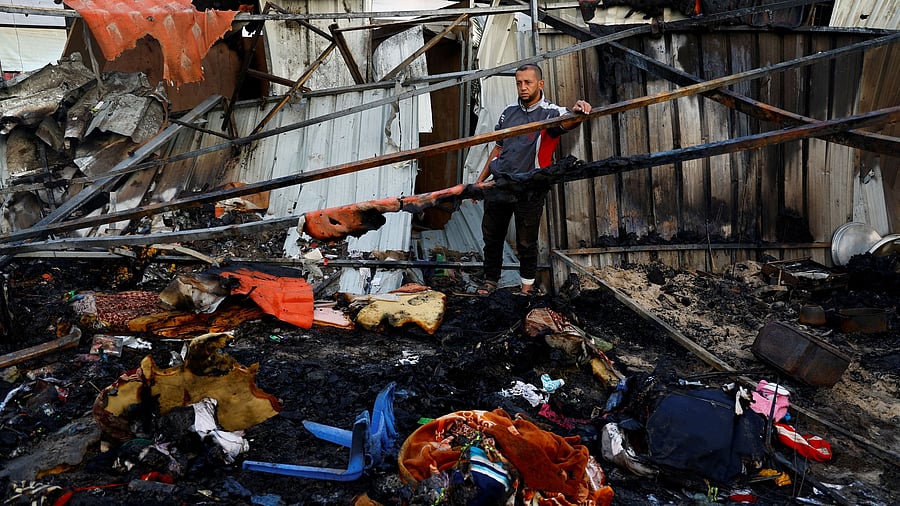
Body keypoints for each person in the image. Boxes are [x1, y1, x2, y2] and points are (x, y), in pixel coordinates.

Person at [475, 63, 592, 295]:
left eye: (528, 82)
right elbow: (498, 149)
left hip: (530, 187)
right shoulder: (508, 113)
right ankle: (490, 281)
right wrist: (480, 181)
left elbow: (570, 121)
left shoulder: (551, 113)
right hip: (500, 184)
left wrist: (579, 113)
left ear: (540, 84)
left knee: (526, 242)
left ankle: (526, 288)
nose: (522, 87)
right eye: (519, 83)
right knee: (492, 236)